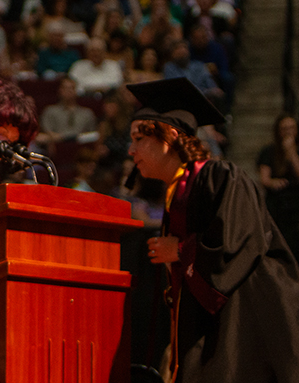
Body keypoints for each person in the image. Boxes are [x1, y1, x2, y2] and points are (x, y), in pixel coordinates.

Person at [127, 78, 299, 383]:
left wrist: (179, 251)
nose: (131, 150)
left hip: (251, 316)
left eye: (138, 139)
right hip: (212, 323)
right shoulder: (176, 195)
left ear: (170, 136)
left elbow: (237, 242)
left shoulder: (220, 177)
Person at [257, 114, 299, 260]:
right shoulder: (269, 151)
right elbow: (264, 179)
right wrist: (274, 182)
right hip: (278, 203)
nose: (288, 132)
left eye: (292, 128)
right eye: (284, 128)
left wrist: (292, 152)